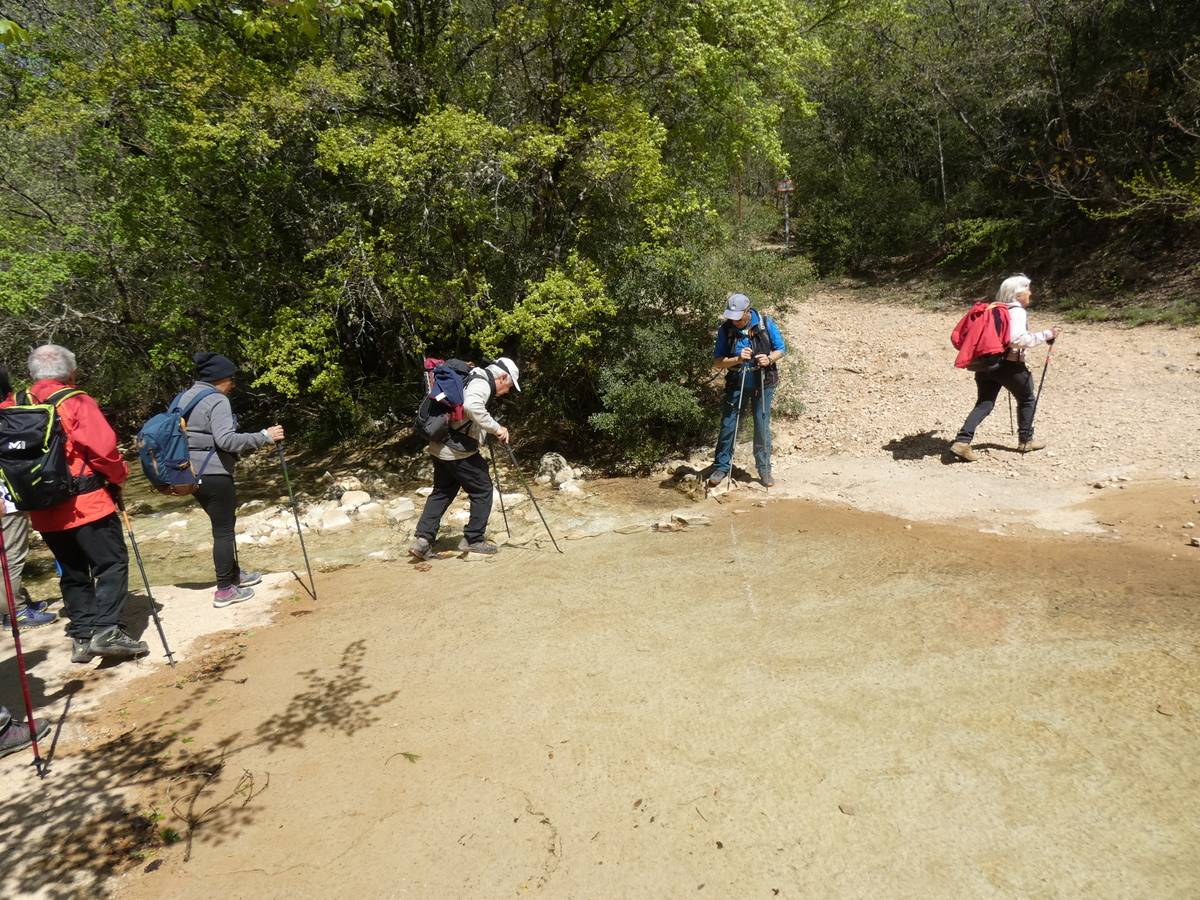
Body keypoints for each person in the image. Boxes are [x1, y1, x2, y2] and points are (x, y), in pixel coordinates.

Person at [1, 345, 146, 663]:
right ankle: (107, 630)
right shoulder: (75, 400)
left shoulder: (15, 403)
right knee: (111, 563)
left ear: (32, 372)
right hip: (85, 502)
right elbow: (104, 450)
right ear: (71, 372)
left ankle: (82, 636)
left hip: (40, 506)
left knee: (72, 569)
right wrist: (120, 476)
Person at [175, 352, 284, 608]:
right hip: (213, 472)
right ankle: (225, 590)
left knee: (222, 525)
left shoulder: (184, 397)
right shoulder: (216, 400)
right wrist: (264, 436)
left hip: (189, 472)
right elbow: (226, 440)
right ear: (219, 378)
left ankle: (235, 575)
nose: (233, 384)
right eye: (231, 378)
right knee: (223, 531)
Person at [409, 358, 520, 559]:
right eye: (509, 386)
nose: (507, 391)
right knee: (483, 488)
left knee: (442, 491)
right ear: (502, 377)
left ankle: (422, 542)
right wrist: (496, 428)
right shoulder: (482, 384)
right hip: (456, 449)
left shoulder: (473, 375)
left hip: (439, 444)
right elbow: (471, 406)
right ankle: (473, 539)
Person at [950, 275, 1059, 462]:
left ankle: (962, 441)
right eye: (1027, 289)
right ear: (1018, 293)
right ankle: (1026, 440)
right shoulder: (1017, 312)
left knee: (985, 402)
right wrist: (1047, 334)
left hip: (986, 363)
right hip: (1009, 365)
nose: (1030, 293)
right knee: (1027, 399)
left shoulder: (994, 309)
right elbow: (1016, 340)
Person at [708, 293, 786, 488]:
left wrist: (769, 359)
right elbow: (718, 362)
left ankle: (764, 469)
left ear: (747, 311)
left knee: (761, 424)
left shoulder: (765, 323)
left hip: (763, 382)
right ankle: (721, 467)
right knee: (728, 424)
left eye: (737, 316)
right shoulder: (725, 329)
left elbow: (781, 349)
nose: (734, 321)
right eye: (731, 316)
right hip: (737, 382)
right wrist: (737, 359)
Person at [0, 366, 58, 629]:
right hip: (8, 498)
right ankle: (16, 613)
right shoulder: (9, 412)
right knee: (11, 554)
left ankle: (14, 602)